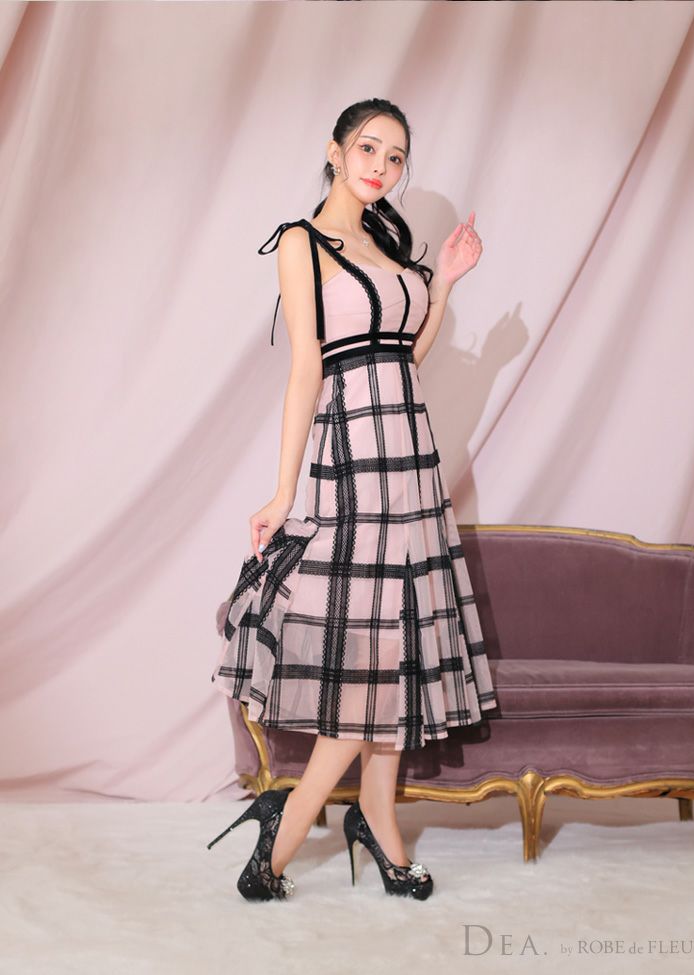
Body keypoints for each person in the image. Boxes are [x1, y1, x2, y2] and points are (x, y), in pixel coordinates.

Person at [207, 97, 498, 902]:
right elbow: (308, 368)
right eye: (368, 148)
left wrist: (444, 284)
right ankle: (282, 837)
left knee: (394, 639)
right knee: (367, 652)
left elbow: (402, 355)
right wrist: (283, 490)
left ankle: (375, 812)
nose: (381, 166)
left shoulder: (387, 246)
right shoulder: (301, 243)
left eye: (395, 156)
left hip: (411, 458)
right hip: (352, 459)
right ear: (335, 151)